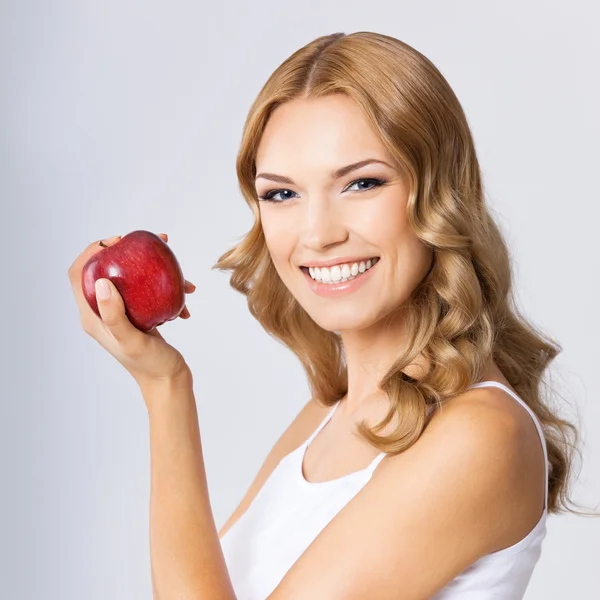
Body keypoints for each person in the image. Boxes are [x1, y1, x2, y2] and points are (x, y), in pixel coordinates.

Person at [68, 31, 592, 600]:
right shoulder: (331, 408)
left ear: (439, 192)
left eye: (361, 183)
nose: (318, 235)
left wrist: (166, 392)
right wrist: (163, 380)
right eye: (282, 194)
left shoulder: (480, 433)